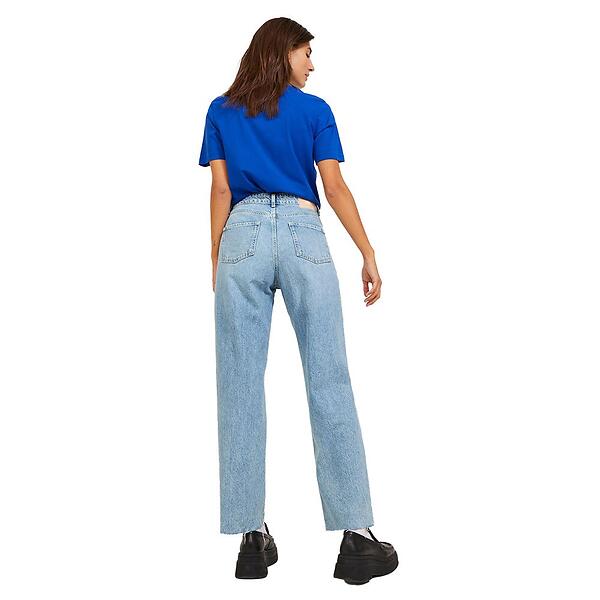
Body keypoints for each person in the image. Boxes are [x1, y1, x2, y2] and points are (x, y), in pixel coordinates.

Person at [198, 17, 397, 584]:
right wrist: (367, 251)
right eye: (306, 52)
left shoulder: (221, 109)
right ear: (282, 52)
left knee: (238, 383)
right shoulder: (315, 111)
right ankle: (356, 538)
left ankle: (251, 538)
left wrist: (216, 257)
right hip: (303, 231)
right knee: (329, 377)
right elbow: (332, 186)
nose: (312, 63)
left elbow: (220, 188)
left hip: (241, 233)